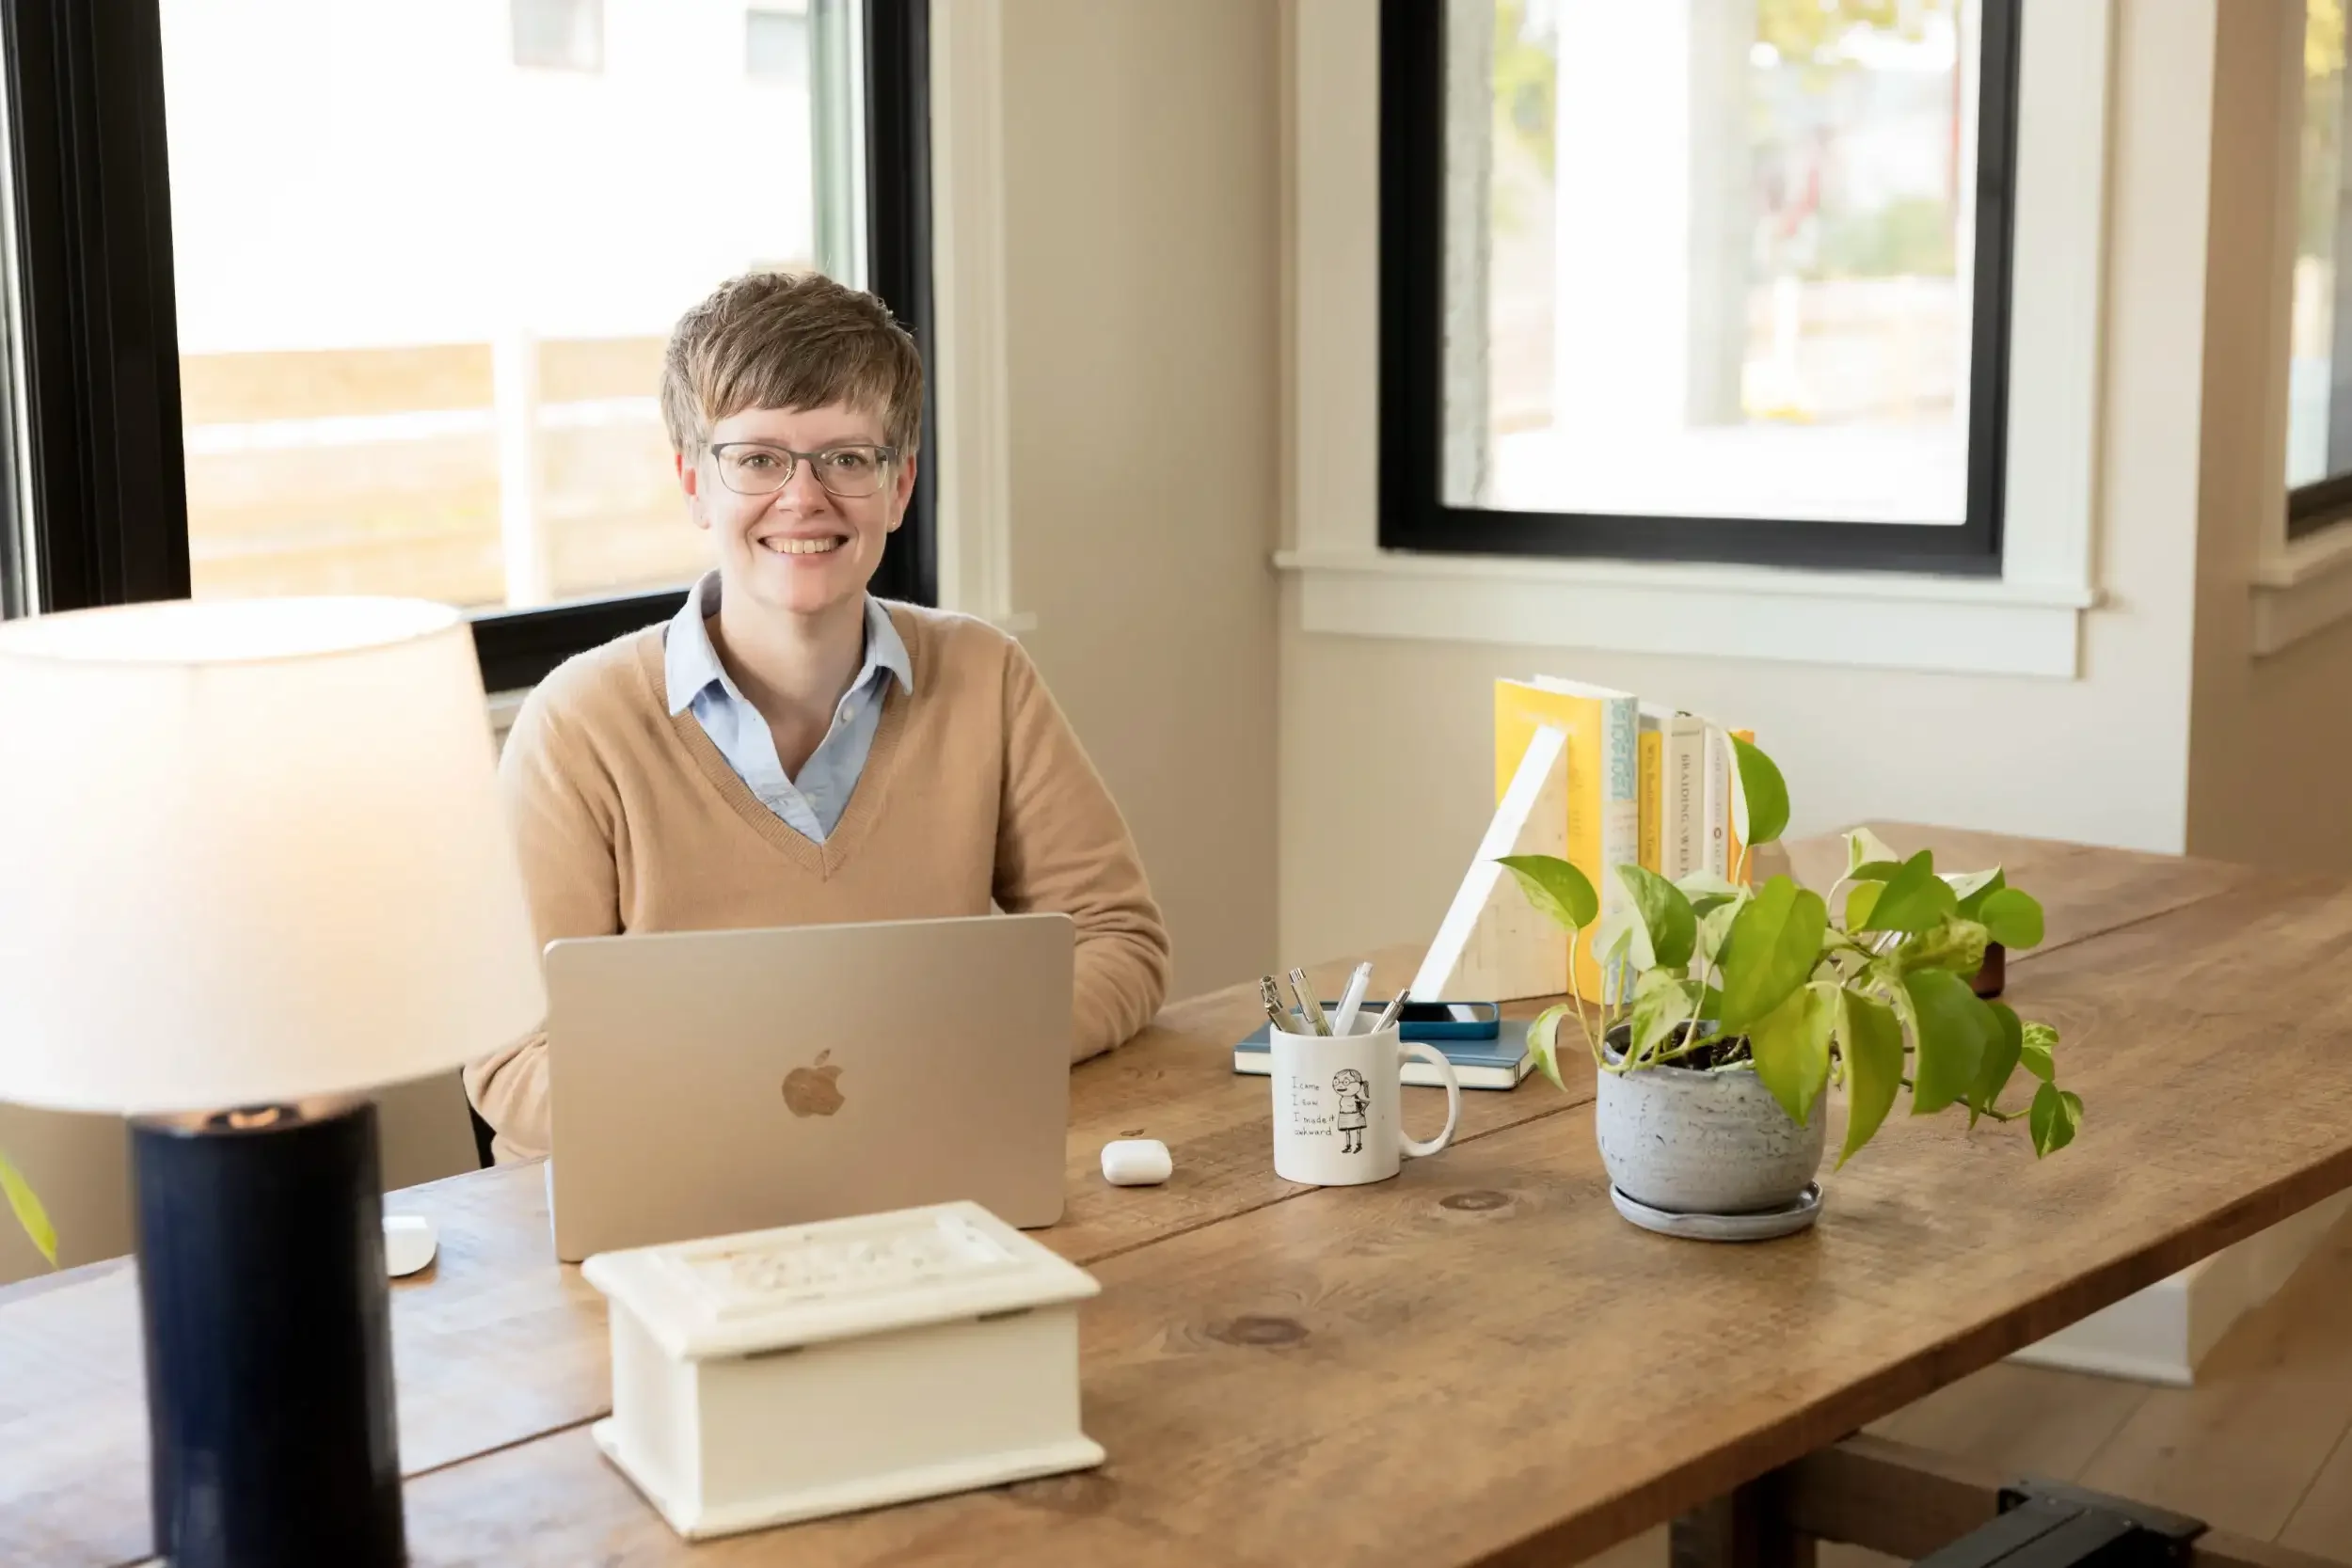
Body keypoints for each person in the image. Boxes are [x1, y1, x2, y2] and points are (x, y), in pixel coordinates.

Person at [464, 270, 1172, 1163]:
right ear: (694, 483)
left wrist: (915, 1065)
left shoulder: (986, 676)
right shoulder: (578, 725)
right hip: (654, 1215)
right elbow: (512, 1058)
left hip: (925, 1168)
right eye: (758, 459)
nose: (804, 499)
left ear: (900, 485)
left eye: (847, 458)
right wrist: (777, 1103)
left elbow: (1118, 941)